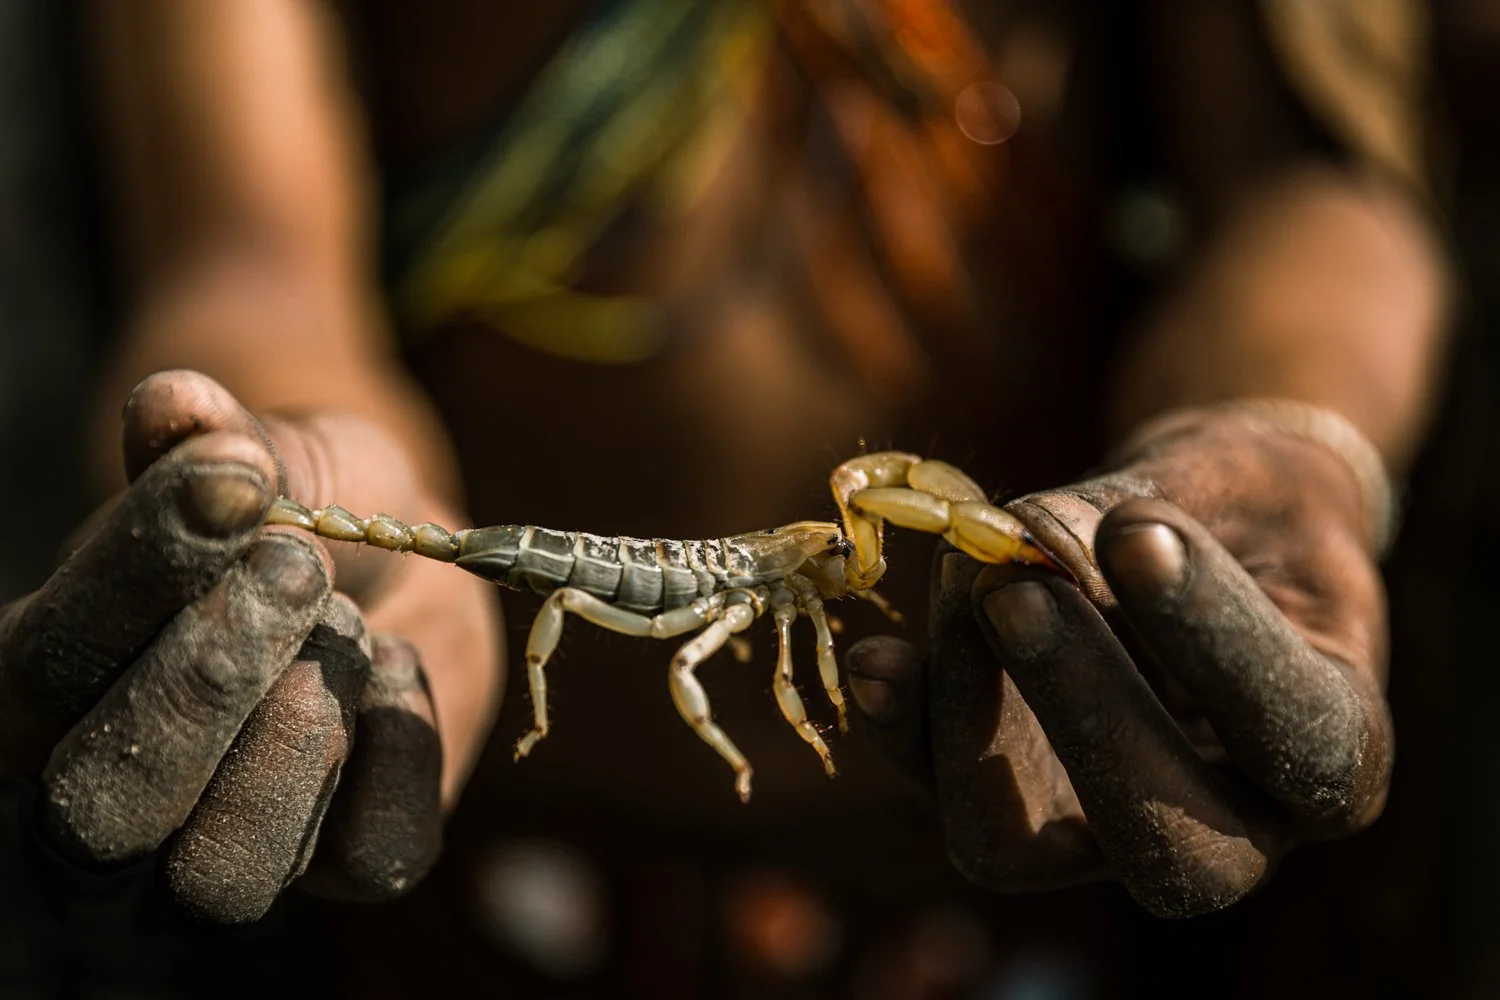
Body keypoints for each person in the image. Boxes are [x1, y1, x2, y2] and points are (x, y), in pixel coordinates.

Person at [0, 0, 1453, 992]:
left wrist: (1286, 433)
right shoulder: (811, 576)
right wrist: (295, 447)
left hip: (1009, 933)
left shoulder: (816, 568)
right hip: (480, 897)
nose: (854, 571)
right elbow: (242, 255)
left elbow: (1317, 182)